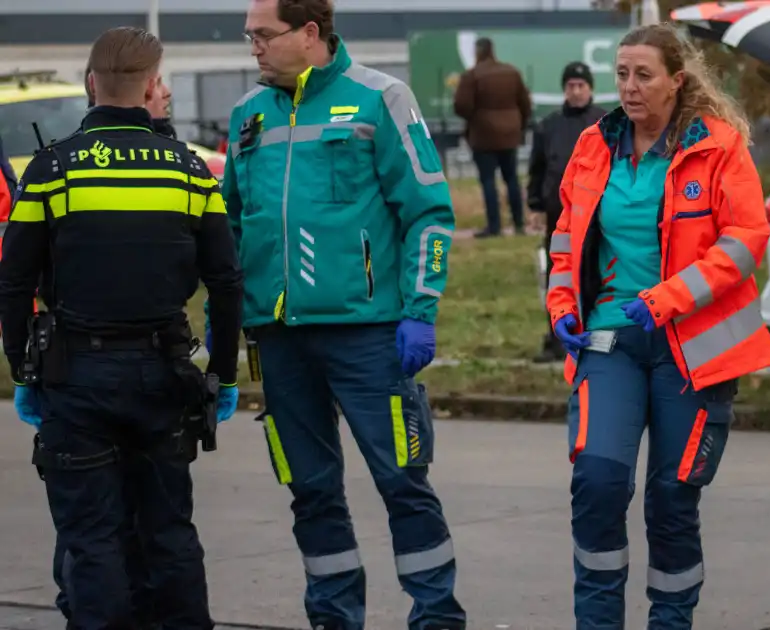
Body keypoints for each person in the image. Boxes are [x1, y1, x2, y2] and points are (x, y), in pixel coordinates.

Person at [226, 1, 465, 628]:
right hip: (278, 340)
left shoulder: (381, 99)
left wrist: (420, 308)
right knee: (309, 491)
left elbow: (429, 213)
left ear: (309, 33)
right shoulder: (246, 116)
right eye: (247, 36)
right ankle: (333, 618)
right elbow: (227, 226)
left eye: (262, 35)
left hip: (368, 335)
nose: (252, 47)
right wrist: (227, 316)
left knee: (403, 484)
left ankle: (436, 616)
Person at [0, 25, 242, 630]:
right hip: (165, 375)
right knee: (169, 533)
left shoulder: (52, 169)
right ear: (152, 87)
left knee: (92, 540)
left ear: (90, 84)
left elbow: (12, 282)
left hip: (76, 378)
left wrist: (22, 371)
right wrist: (226, 372)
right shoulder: (189, 171)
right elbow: (226, 281)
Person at [545, 23, 770, 629]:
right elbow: (567, 239)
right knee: (597, 484)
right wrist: (562, 306)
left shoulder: (719, 146)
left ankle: (670, 622)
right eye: (621, 74)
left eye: (643, 75)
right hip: (608, 340)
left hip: (691, 351)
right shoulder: (594, 146)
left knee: (673, 499)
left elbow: (745, 239)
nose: (628, 87)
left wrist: (668, 299)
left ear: (677, 81)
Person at [44, 63, 182, 628]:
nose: (168, 90)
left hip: (135, 359)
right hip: (103, 358)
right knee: (99, 519)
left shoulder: (173, 155)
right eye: (159, 81)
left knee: (118, 517)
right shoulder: (70, 162)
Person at [527, 61, 606, 363]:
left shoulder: (605, 122)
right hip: (559, 217)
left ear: (590, 88)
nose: (576, 91)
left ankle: (595, 332)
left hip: (598, 217)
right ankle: (556, 336)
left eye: (581, 86)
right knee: (558, 276)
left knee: (594, 274)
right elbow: (537, 167)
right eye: (571, 86)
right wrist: (535, 204)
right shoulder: (548, 125)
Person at [452, 36, 532, 238]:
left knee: (488, 181)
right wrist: (518, 125)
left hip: (483, 136)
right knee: (512, 179)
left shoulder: (472, 76)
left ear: (478, 52)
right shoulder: (512, 73)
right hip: (509, 135)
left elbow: (461, 106)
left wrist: (475, 117)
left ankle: (494, 227)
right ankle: (519, 224)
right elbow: (525, 103)